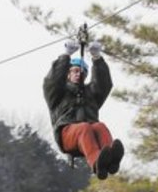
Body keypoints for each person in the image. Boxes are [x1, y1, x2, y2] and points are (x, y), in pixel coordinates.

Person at [43, 39, 124, 179]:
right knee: (84, 127)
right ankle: (96, 163)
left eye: (81, 72)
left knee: (99, 126)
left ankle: (110, 160)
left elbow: (103, 84)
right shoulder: (58, 94)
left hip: (89, 136)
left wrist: (97, 58)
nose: (77, 74)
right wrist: (65, 56)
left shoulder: (90, 94)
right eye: (74, 71)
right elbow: (52, 81)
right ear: (67, 74)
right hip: (67, 135)